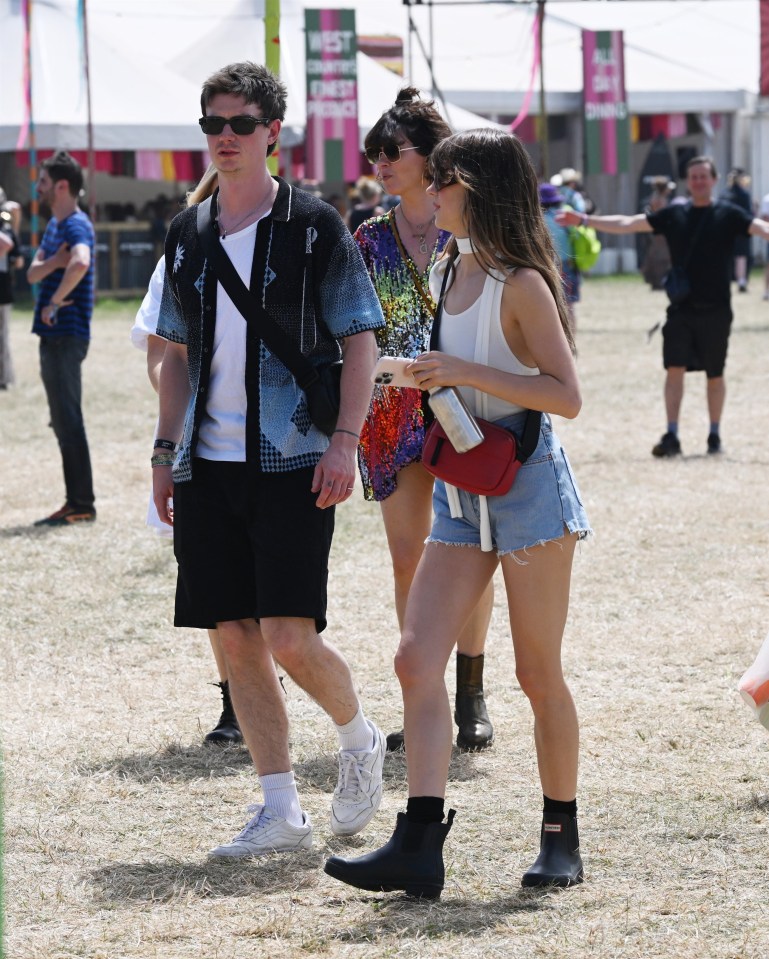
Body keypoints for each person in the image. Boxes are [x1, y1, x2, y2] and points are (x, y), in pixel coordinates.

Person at [325, 128, 591, 899]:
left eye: (441, 181)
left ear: (472, 186)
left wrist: (463, 370)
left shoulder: (521, 282)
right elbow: (461, 378)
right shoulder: (448, 264)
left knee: (536, 671)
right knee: (415, 655)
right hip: (461, 481)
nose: (428, 193)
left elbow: (564, 396)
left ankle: (558, 832)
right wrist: (410, 376)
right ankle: (418, 839)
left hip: (528, 481)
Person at [152, 61, 387, 858]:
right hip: (206, 465)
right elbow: (175, 352)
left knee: (289, 635)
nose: (224, 137)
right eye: (212, 123)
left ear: (272, 133)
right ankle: (278, 808)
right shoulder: (187, 231)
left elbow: (361, 336)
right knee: (233, 637)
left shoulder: (314, 225)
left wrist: (346, 441)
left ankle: (359, 738)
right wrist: (164, 450)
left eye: (239, 123)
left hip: (294, 457)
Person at [355, 88, 495, 754]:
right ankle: (424, 697)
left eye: (391, 151)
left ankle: (471, 694)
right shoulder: (367, 238)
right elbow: (352, 329)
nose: (379, 163)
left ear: (426, 156)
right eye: (372, 153)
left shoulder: (468, 229)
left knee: (466, 551)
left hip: (461, 409)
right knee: (408, 561)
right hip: (388, 414)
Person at [131, 165, 242, 746]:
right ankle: (233, 701)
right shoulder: (180, 254)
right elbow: (159, 359)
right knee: (212, 579)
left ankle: (259, 686)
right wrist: (192, 402)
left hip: (268, 446)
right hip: (197, 444)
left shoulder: (296, 245)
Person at [557, 155, 769, 458]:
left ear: (714, 180)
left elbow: (761, 229)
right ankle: (672, 434)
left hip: (716, 309)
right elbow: (630, 224)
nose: (698, 181)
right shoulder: (674, 214)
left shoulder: (729, 214)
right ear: (688, 181)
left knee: (716, 373)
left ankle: (714, 435)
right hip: (680, 309)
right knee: (674, 369)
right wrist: (586, 220)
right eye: (693, 176)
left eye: (703, 176)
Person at [27, 151, 96, 525]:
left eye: (42, 181)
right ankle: (76, 502)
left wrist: (54, 302)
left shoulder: (75, 225)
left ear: (61, 185)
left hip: (66, 335)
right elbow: (32, 275)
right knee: (62, 419)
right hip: (52, 336)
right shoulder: (55, 225)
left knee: (69, 419)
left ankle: (81, 504)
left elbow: (81, 260)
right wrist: (53, 263)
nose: (37, 187)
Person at [539, 182, 580, 329]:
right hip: (567, 267)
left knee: (548, 308)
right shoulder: (565, 218)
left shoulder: (537, 221)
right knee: (569, 307)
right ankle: (571, 346)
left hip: (545, 269)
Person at [0, 190, 23, 389]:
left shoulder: (6, 230)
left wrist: (16, 220)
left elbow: (17, 258)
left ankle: (5, 379)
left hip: (3, 292)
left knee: (2, 337)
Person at [721, 168, 753, 293]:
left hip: (726, 228)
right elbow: (747, 213)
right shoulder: (744, 194)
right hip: (741, 228)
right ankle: (741, 281)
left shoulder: (724, 193)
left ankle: (725, 279)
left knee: (727, 255)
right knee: (741, 256)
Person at [640, 177, 675, 291]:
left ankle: (658, 281)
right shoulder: (659, 199)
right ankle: (658, 281)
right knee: (661, 257)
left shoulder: (657, 197)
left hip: (658, 231)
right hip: (660, 232)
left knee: (657, 256)